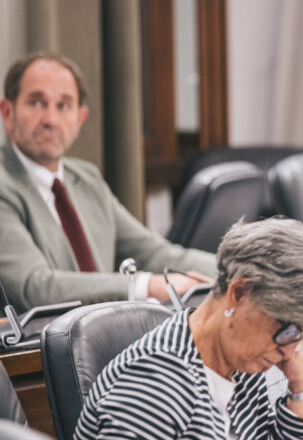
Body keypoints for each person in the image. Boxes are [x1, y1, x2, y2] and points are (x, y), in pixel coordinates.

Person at [71, 218, 303, 440]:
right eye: (288, 331)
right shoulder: (160, 372)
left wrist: (301, 387)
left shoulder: (242, 368)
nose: (290, 352)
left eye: (300, 338)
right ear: (239, 293)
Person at [0, 52, 216, 311]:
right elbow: (34, 287)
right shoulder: (4, 184)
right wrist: (145, 286)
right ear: (7, 112)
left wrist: (235, 268)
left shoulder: (87, 178)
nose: (51, 120)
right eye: (36, 103)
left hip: (102, 331)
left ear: (80, 119)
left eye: (63, 106)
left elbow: (153, 253)